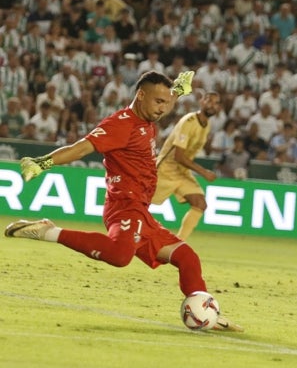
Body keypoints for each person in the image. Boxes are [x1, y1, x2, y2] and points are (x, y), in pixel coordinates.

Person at [4, 71, 242, 332]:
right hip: (124, 205)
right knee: (120, 255)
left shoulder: (150, 111)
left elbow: (167, 98)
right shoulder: (120, 124)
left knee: (187, 257)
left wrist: (178, 90)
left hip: (140, 208)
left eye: (166, 102)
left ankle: (206, 313)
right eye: (158, 102)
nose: (163, 109)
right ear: (140, 96)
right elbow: (82, 147)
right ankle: (49, 232)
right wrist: (43, 163)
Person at [151, 91, 221, 240]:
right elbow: (179, 156)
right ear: (201, 102)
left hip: (182, 172)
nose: (212, 105)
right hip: (165, 170)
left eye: (216, 103)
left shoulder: (206, 125)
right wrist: (204, 172)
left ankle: (177, 244)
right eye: (209, 100)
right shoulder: (188, 121)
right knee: (140, 203)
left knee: (200, 203)